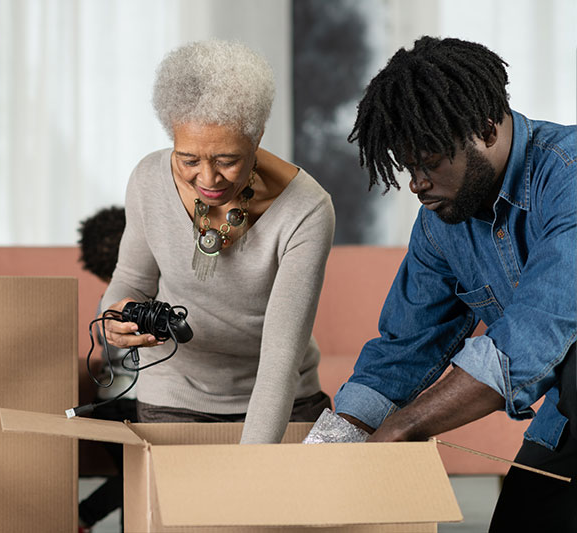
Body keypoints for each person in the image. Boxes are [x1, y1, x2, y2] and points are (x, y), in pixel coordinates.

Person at [333, 36, 576, 531]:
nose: (415, 183)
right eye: (406, 166)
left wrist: (405, 426)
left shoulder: (569, 175)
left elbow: (534, 332)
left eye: (429, 161)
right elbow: (405, 346)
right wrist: (336, 442)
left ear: (485, 130)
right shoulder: (441, 224)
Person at [100, 39, 335, 445]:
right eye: (188, 159)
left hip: (286, 399)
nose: (207, 180)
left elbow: (280, 363)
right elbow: (128, 284)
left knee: (266, 506)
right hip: (174, 395)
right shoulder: (147, 181)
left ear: (257, 135)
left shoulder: (307, 210)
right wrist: (114, 320)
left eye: (227, 160)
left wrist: (247, 470)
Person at [76, 205, 135, 533]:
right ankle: (81, 517)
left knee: (134, 475)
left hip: (108, 401)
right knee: (142, 474)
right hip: (133, 404)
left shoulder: (106, 300)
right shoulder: (141, 297)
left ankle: (81, 518)